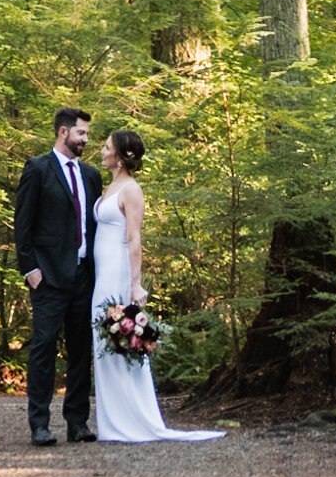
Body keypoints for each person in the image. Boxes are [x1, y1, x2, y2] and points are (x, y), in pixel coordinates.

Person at [91, 130, 224, 444]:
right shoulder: (109, 187)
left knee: (123, 344)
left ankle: (136, 421)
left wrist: (135, 284)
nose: (102, 150)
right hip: (100, 275)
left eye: (107, 146)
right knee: (103, 345)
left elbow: (134, 239)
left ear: (122, 155)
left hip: (118, 273)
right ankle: (113, 423)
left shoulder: (132, 190)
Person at [13, 106, 102, 445]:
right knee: (44, 348)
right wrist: (30, 269)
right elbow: (23, 224)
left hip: (84, 276)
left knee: (81, 349)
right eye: (81, 133)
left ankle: (77, 422)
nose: (85, 140)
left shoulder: (91, 175)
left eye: (88, 135)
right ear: (63, 132)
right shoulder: (37, 169)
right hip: (48, 276)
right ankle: (39, 424)